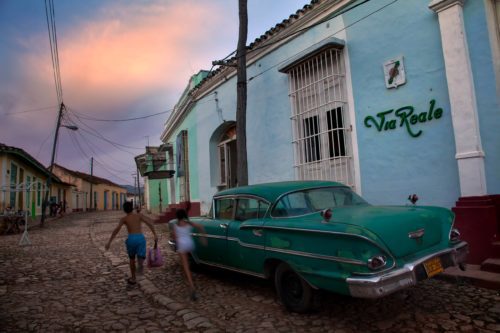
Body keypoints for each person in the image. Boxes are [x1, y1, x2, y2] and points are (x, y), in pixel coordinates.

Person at [105, 201, 158, 285]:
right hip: (140, 238)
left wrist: (109, 242)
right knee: (141, 254)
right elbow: (150, 223)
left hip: (131, 239)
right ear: (132, 208)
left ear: (124, 210)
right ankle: (140, 263)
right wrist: (155, 234)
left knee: (132, 258)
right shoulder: (139, 215)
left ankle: (133, 278)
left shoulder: (124, 219)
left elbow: (116, 230)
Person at [171, 208, 206, 301]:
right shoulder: (189, 223)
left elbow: (174, 237)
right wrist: (203, 237)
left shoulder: (175, 225)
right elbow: (201, 227)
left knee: (185, 266)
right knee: (184, 264)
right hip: (190, 243)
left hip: (182, 245)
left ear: (177, 217)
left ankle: (192, 287)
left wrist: (176, 243)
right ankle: (186, 279)